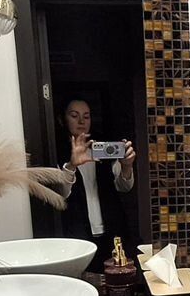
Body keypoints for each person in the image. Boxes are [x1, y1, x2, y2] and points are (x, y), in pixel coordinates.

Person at [57, 97, 136, 269]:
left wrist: (127, 166)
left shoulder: (102, 148)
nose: (81, 121)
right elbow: (61, 193)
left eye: (86, 116)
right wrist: (71, 165)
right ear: (62, 120)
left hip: (110, 230)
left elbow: (124, 186)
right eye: (74, 115)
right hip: (76, 234)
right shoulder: (55, 151)